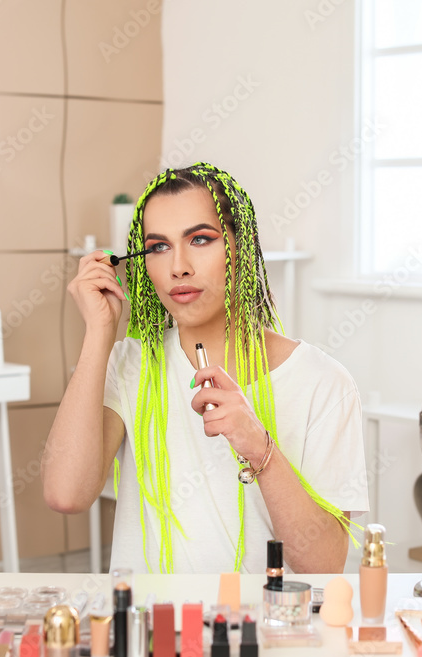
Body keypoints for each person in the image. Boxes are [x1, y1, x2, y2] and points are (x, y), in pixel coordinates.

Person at [42, 162, 368, 574]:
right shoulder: (129, 365)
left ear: (241, 247)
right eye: (159, 246)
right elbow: (65, 494)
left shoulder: (324, 384)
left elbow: (323, 568)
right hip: (150, 630)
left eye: (200, 239)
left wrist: (258, 446)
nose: (178, 266)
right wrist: (99, 331)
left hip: (261, 633)